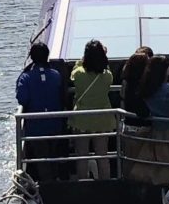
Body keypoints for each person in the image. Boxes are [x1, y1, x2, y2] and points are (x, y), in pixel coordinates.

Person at [15, 41, 69, 176]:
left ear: (32, 57)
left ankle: (46, 188)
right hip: (55, 125)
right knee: (53, 155)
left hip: (36, 127)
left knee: (42, 159)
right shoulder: (56, 75)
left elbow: (22, 98)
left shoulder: (25, 78)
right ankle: (56, 182)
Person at [68, 40, 117, 176]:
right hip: (102, 120)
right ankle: (105, 183)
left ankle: (83, 183)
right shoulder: (107, 76)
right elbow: (106, 70)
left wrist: (81, 61)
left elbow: (73, 73)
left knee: (82, 156)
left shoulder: (79, 74)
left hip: (82, 120)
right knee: (103, 156)